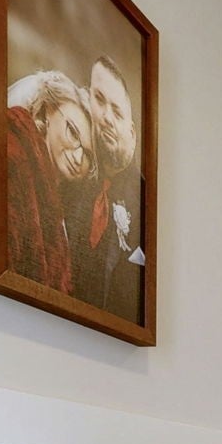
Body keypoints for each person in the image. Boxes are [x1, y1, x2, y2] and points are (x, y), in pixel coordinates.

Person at [69, 57, 147, 321]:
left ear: (132, 133)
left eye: (117, 111)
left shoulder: (148, 205)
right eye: (99, 100)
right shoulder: (70, 177)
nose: (106, 117)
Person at [3, 70, 95, 293]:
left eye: (88, 155)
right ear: (49, 111)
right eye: (73, 133)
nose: (78, 157)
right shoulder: (14, 151)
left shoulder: (58, 199)